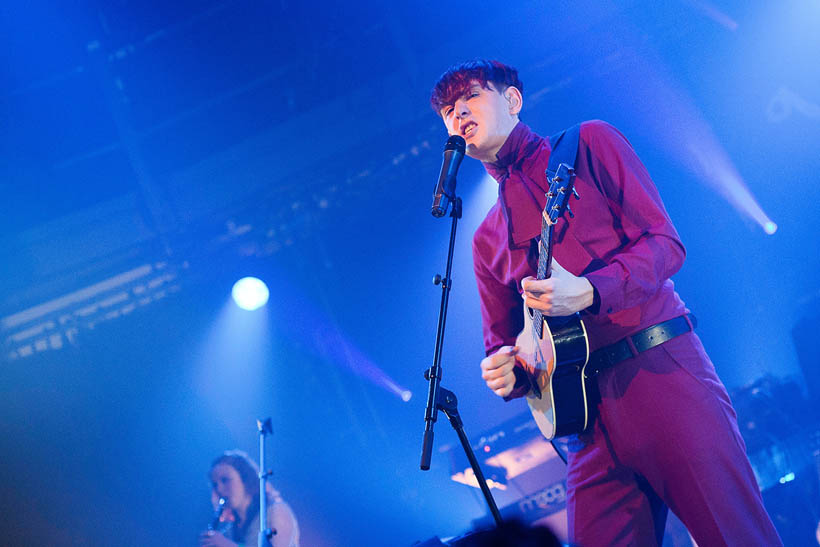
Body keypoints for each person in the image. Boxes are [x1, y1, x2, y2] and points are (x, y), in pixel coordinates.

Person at [430, 60, 782, 546]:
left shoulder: (587, 143)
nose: (457, 114)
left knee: (735, 537)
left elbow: (665, 244)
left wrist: (594, 289)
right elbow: (505, 344)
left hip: (662, 375)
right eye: (447, 111)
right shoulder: (485, 237)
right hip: (586, 424)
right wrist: (506, 371)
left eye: (470, 97)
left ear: (512, 100)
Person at [200, 450, 299, 547]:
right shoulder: (230, 531)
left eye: (225, 480)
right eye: (215, 484)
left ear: (246, 480)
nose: (219, 489)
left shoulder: (276, 513)